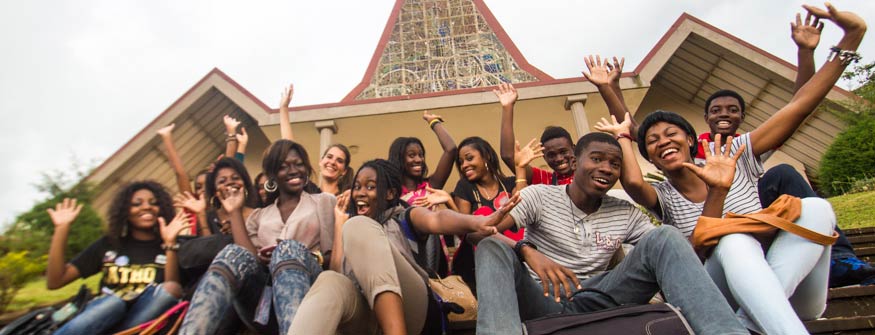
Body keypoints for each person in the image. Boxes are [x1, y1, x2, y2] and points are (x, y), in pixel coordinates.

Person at [592, 4, 865, 332]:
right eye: (651, 141)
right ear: (647, 153)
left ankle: (751, 320)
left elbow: (798, 106)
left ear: (692, 140)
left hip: (787, 291)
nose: (663, 142)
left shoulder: (733, 154)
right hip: (715, 295)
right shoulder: (663, 195)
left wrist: (852, 38)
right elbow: (634, 181)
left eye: (671, 134)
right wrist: (623, 132)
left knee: (817, 208)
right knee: (732, 240)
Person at [473, 133, 747, 335]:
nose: (606, 167)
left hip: (597, 295)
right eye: (597, 159)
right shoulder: (539, 196)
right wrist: (525, 250)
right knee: (490, 246)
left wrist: (717, 192)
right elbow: (481, 231)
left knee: (665, 236)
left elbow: (682, 251)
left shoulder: (625, 212)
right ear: (575, 161)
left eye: (614, 164)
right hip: (541, 298)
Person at [288, 159, 519, 335]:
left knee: (360, 226)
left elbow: (437, 220)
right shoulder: (349, 226)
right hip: (365, 314)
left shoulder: (403, 217)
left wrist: (477, 221)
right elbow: (340, 272)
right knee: (330, 280)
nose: (360, 192)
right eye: (357, 186)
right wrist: (340, 224)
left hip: (413, 310)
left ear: (389, 193)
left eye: (370, 187)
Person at [180, 140, 339, 335]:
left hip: (310, 294)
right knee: (233, 253)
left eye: (298, 164)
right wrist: (235, 211)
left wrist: (296, 255)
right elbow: (247, 261)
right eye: (283, 166)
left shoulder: (323, 202)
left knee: (287, 249)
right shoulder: (259, 216)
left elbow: (335, 257)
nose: (293, 170)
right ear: (272, 176)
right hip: (264, 302)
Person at [47, 182, 190, 334]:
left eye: (154, 203)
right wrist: (61, 229)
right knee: (114, 303)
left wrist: (169, 244)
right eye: (136, 204)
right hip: (100, 321)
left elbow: (171, 292)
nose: (147, 207)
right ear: (125, 211)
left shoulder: (173, 245)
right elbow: (55, 281)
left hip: (138, 327)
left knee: (171, 288)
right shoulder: (108, 244)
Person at [387, 110, 458, 274]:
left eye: (420, 155)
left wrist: (434, 122)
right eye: (411, 155)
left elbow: (451, 149)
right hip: (404, 254)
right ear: (399, 158)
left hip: (433, 256)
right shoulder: (392, 194)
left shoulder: (431, 186)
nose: (418, 160)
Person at [452, 136, 521, 288]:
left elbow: (522, 208)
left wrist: (521, 168)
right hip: (483, 267)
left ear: (487, 156)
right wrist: (448, 201)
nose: (464, 165)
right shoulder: (465, 187)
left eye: (469, 158)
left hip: (520, 264)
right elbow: (466, 232)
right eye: (461, 162)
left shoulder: (510, 183)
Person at [277, 83, 353, 195]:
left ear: (344, 171)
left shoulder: (346, 198)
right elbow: (290, 150)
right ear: (320, 161)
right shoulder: (309, 191)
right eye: (329, 157)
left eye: (339, 161)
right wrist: (283, 109)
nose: (332, 162)